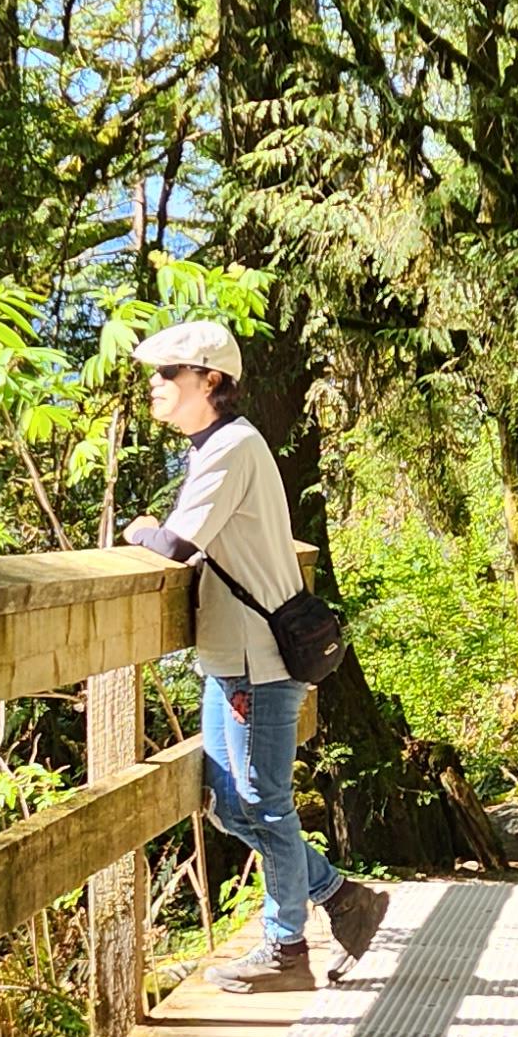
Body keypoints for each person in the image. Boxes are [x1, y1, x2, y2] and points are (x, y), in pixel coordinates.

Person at [120, 322, 390, 994]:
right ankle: (342, 898)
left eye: (168, 373)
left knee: (264, 805)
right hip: (231, 656)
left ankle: (286, 950)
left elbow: (175, 546)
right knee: (227, 805)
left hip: (256, 659)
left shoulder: (232, 447)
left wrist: (140, 530)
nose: (155, 384)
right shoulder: (216, 447)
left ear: (210, 380)